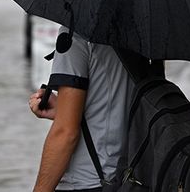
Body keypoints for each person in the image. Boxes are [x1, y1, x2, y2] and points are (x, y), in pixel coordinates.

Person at [28, 28, 134, 192]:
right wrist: (63, 110)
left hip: (86, 181)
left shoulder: (75, 35)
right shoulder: (140, 35)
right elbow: (122, 106)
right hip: (130, 178)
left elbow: (65, 133)